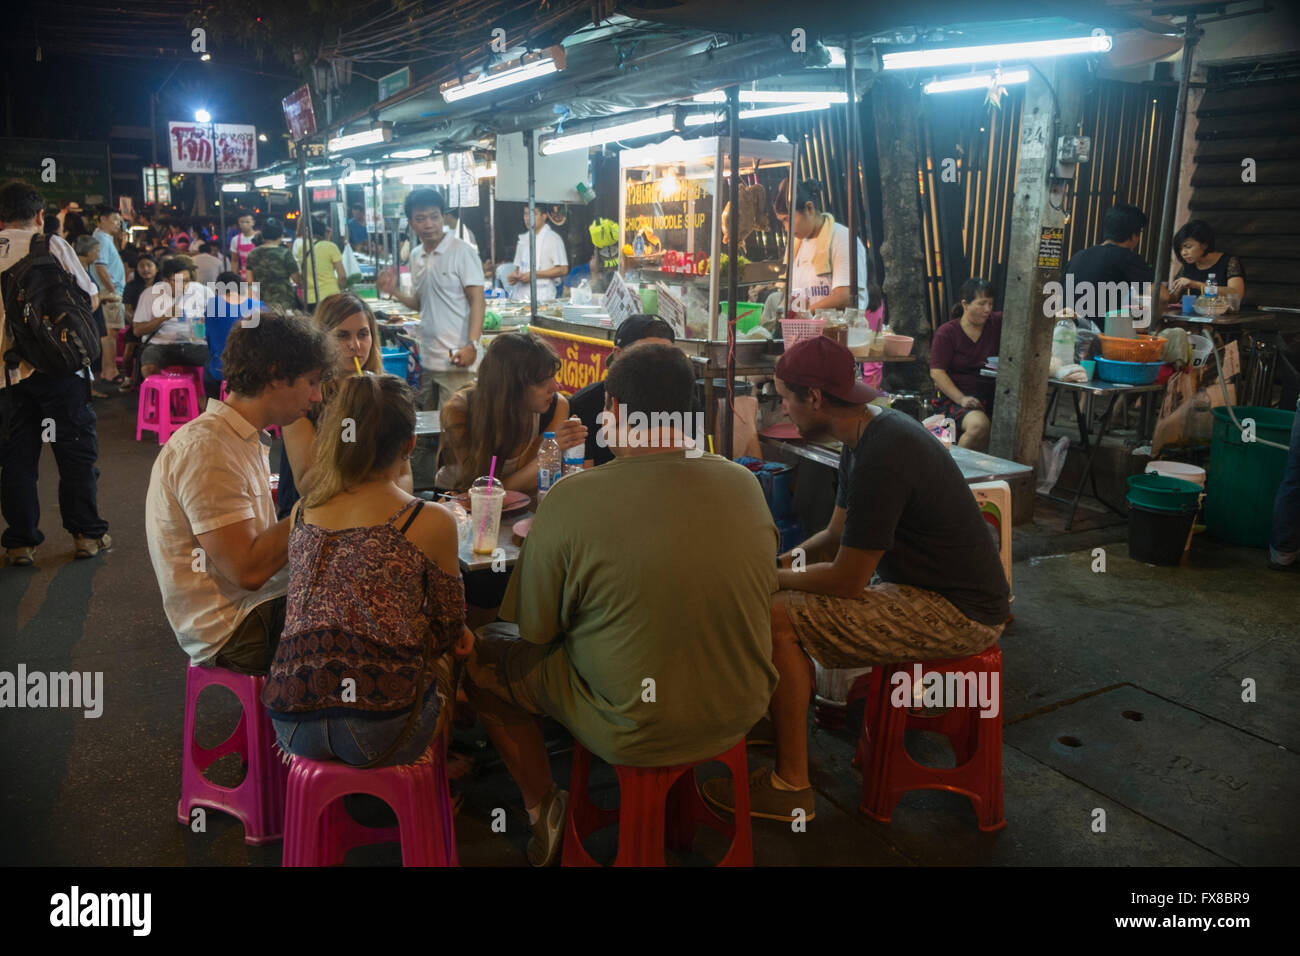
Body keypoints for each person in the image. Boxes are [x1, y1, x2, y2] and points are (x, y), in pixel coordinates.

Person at [464, 343, 778, 865]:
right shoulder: (745, 483)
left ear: (611, 410)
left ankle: (544, 807)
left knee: (483, 655)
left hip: (634, 722)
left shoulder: (574, 496)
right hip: (742, 705)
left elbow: (537, 631)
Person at [701, 336, 1009, 822]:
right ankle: (774, 720)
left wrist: (772, 582)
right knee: (771, 595)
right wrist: (777, 566)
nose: (780, 407)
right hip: (925, 590)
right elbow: (834, 535)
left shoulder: (885, 452)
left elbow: (847, 579)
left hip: (961, 614)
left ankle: (790, 785)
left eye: (784, 397)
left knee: (777, 614)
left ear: (815, 399)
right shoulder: (864, 434)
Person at [262, 374, 472, 766]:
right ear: (409, 444)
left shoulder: (302, 512)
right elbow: (448, 629)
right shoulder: (429, 520)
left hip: (292, 722)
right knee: (445, 659)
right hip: (380, 729)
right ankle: (436, 792)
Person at [145, 314, 331, 672]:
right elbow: (247, 571)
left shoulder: (237, 436)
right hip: (233, 627)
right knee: (367, 623)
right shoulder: (208, 449)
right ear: (276, 374)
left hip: (254, 605)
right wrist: (317, 506)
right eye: (311, 382)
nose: (317, 396)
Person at [0, 181, 112, 566]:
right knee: (75, 452)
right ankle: (86, 535)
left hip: (6, 379)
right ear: (38, 216)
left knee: (16, 460)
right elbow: (89, 296)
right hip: (59, 369)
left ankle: (20, 543)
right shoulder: (50, 245)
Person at [276, 292, 410, 519]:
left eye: (363, 334)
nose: (355, 345)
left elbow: (404, 475)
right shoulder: (302, 398)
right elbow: (307, 485)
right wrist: (347, 417)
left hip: (375, 514)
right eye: (342, 336)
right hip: (311, 519)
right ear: (321, 339)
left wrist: (393, 513)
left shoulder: (384, 394)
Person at [376, 188, 486, 412]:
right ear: (411, 223)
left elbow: (478, 300)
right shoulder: (416, 255)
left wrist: (472, 344)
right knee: (430, 427)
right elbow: (420, 303)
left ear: (443, 217)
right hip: (430, 358)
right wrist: (394, 291)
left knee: (455, 429)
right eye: (420, 218)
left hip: (459, 359)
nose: (428, 224)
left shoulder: (462, 252)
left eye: (434, 216)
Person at [435, 331, 586, 494]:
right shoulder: (459, 411)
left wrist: (560, 450)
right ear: (510, 387)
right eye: (542, 382)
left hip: (520, 503)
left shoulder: (556, 406)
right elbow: (481, 493)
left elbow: (538, 481)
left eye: (553, 377)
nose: (555, 387)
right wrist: (549, 454)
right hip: (458, 501)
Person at [567, 315, 677, 468]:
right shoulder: (584, 405)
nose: (656, 366)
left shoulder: (682, 400)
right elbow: (581, 477)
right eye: (645, 356)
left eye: (666, 357)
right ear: (618, 354)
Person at [774, 178, 868, 314]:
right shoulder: (796, 246)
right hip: (804, 333)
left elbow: (845, 297)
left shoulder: (842, 239)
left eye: (789, 219)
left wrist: (802, 316)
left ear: (809, 208)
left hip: (839, 333)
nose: (787, 228)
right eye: (783, 222)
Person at [929, 277, 1001, 450]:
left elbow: (1030, 315)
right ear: (965, 304)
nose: (987, 310)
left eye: (990, 304)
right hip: (952, 400)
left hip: (989, 399)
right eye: (982, 304)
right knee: (978, 426)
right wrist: (961, 398)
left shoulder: (996, 323)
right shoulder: (947, 333)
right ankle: (955, 473)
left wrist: (1066, 314)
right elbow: (937, 372)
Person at [1061, 203, 1153, 332]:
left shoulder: (1078, 256)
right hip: (1102, 339)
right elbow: (1161, 295)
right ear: (1133, 235)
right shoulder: (1127, 257)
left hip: (1067, 334)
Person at [131, 258, 212, 379]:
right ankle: (158, 395)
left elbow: (216, 317)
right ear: (165, 281)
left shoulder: (200, 291)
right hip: (161, 345)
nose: (184, 286)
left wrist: (207, 321)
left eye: (187, 281)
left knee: (217, 363)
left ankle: (204, 396)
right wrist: (162, 318)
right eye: (179, 281)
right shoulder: (150, 294)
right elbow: (137, 331)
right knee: (149, 366)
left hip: (193, 344)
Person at [88, 207, 128, 390]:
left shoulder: (105, 238)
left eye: (119, 220)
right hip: (109, 293)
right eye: (114, 219)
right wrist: (112, 289)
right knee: (110, 334)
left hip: (109, 291)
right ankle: (110, 371)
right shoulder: (101, 239)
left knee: (110, 333)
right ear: (102, 219)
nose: (117, 223)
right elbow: (100, 267)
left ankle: (108, 370)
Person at [1170, 220, 1246, 303]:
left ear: (1205, 244)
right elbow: (1174, 297)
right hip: (1193, 314)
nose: (1183, 253)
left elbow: (1237, 294)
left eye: (1188, 247)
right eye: (1180, 249)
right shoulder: (1189, 264)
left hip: (1221, 314)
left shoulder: (1229, 262)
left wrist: (1197, 285)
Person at [507, 205, 567, 303]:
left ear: (544, 216)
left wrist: (534, 275)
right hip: (521, 296)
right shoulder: (523, 239)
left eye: (533, 214)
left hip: (544, 296)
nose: (528, 218)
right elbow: (518, 269)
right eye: (525, 214)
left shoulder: (554, 239)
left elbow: (563, 269)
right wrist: (514, 276)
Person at [244, 218, 301, 311]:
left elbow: (250, 282)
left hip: (262, 303)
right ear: (281, 235)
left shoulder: (252, 254)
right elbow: (297, 279)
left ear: (262, 235)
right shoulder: (285, 253)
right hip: (285, 302)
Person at [296, 217, 346, 311]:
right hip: (331, 296)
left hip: (310, 299)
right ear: (324, 232)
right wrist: (340, 289)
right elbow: (342, 276)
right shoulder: (330, 247)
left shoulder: (301, 248)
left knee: (314, 325)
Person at [229, 213, 258, 279]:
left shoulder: (260, 237)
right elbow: (234, 261)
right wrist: (233, 279)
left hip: (259, 277)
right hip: (244, 278)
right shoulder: (235, 240)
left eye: (247, 222)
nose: (244, 224)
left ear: (253, 222)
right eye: (242, 222)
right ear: (238, 222)